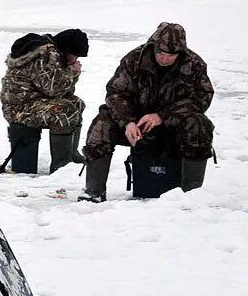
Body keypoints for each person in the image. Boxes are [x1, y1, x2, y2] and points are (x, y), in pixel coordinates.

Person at [80, 23, 214, 202]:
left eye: (170, 56)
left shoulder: (194, 64)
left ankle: (192, 194)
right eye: (161, 53)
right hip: (136, 123)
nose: (164, 59)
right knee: (101, 123)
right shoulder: (134, 60)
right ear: (153, 46)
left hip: (172, 124)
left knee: (199, 125)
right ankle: (94, 192)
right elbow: (115, 93)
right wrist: (127, 121)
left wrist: (163, 116)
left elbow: (202, 97)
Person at [0, 29, 89, 173]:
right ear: (66, 50)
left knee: (76, 103)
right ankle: (61, 164)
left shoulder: (53, 53)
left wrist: (69, 72)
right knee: (66, 110)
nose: (75, 59)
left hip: (32, 101)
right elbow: (53, 89)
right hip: (20, 108)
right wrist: (72, 72)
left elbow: (62, 92)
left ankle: (71, 153)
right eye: (75, 55)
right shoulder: (47, 54)